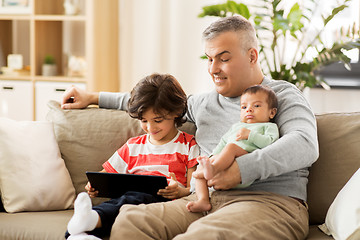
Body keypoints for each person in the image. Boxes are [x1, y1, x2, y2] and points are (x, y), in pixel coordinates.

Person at [62, 16, 318, 240]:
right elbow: (157, 104)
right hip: (202, 200)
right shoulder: (203, 103)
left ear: (252, 56)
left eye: (223, 59)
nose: (213, 69)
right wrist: (94, 97)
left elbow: (304, 144)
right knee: (131, 220)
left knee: (203, 236)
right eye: (209, 59)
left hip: (268, 202)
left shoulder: (282, 96)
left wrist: (240, 170)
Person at [65, 73, 199, 240]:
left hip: (161, 205)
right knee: (79, 227)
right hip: (128, 202)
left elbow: (193, 188)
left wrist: (179, 192)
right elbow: (104, 175)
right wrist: (94, 186)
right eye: (144, 121)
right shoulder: (133, 146)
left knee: (135, 199)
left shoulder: (188, 145)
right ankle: (82, 232)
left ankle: (92, 219)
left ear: (176, 112)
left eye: (157, 120)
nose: (150, 128)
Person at [186, 85, 279, 213]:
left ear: (271, 112)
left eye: (256, 106)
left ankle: (212, 169)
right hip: (224, 164)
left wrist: (250, 135)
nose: (249, 110)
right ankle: (203, 201)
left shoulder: (268, 126)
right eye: (244, 107)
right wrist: (213, 157)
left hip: (245, 161)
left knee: (231, 147)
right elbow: (222, 143)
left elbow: (270, 143)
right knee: (199, 170)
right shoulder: (237, 126)